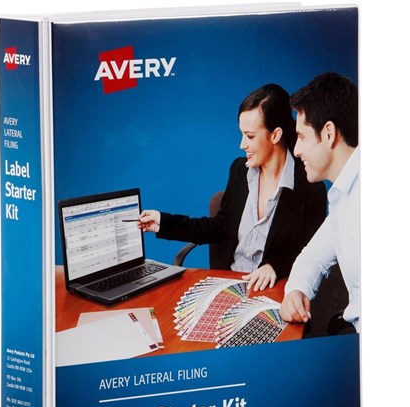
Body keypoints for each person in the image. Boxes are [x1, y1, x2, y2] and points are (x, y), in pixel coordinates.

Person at [138, 84, 327, 291]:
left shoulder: (309, 187)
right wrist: (164, 222)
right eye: (242, 134)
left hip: (273, 290)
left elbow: (314, 254)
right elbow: (219, 228)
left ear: (275, 135)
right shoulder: (240, 170)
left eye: (250, 136)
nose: (242, 144)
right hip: (228, 284)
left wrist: (276, 266)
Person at [280, 72, 360, 333]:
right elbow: (313, 256)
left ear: (328, 133)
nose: (296, 150)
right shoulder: (343, 193)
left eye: (302, 137)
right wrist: (296, 290)